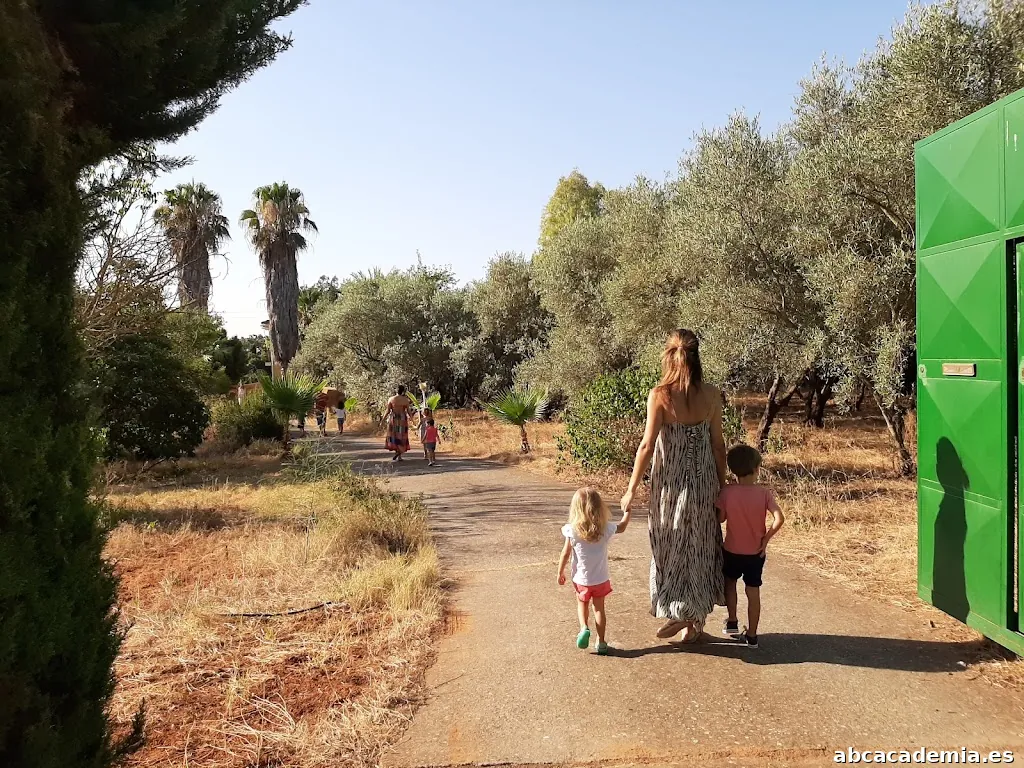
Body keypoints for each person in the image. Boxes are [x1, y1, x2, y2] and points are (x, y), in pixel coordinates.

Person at [621, 329, 727, 644]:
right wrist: (722, 488)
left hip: (671, 486)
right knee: (701, 546)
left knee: (671, 544)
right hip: (705, 484)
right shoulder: (712, 395)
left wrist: (631, 488)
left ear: (667, 357)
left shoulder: (660, 395)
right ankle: (693, 620)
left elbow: (646, 446)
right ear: (697, 357)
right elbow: (718, 445)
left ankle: (680, 610)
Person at [717, 444, 785, 649]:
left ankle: (732, 621)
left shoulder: (727, 492)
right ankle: (753, 635)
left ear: (732, 470)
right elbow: (779, 518)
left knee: (730, 583)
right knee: (753, 591)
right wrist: (766, 539)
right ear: (757, 469)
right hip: (755, 553)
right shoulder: (764, 493)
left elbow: (721, 518)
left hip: (731, 550)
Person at [557, 487, 632, 655]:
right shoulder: (604, 529)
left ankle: (584, 627)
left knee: (582, 604)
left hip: (581, 580)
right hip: (601, 579)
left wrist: (560, 572)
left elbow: (565, 553)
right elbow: (622, 527)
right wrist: (627, 512)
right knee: (599, 609)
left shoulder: (572, 530)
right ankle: (602, 642)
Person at [385, 385, 412, 460]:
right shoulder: (405, 400)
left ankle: (397, 452)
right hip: (402, 419)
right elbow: (408, 411)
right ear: (403, 391)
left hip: (394, 418)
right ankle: (399, 454)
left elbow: (388, 411)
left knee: (394, 435)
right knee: (401, 435)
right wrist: (412, 419)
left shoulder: (391, 399)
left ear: (396, 391)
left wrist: (382, 420)